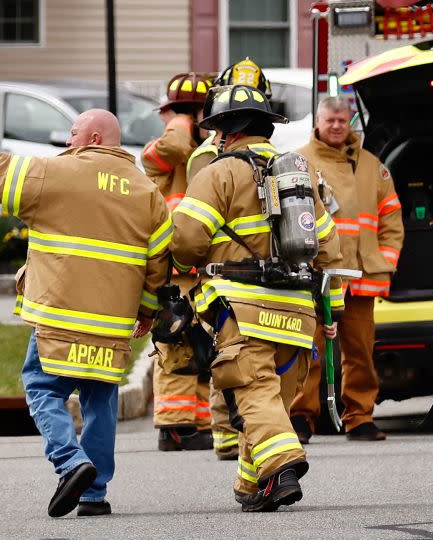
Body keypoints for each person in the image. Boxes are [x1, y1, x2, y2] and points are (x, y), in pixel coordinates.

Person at [0, 109, 170, 517]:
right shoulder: (147, 192)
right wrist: (146, 311)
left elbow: (0, 173)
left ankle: (70, 463)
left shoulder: (57, 174)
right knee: (100, 402)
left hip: (60, 316)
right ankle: (93, 495)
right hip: (111, 326)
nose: (68, 141)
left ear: (93, 138)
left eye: (74, 133)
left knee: (42, 388)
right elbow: (159, 263)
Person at [170, 85, 346, 512]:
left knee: (253, 394)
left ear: (227, 133)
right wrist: (331, 311)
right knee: (269, 404)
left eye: (216, 132)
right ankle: (254, 486)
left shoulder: (217, 172)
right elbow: (328, 250)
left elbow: (188, 243)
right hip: (299, 311)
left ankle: (284, 466)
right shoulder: (301, 177)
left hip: (241, 308)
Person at [289, 96, 404, 442]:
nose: (337, 126)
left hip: (360, 277)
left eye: (343, 120)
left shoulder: (372, 166)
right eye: (331, 121)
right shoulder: (299, 162)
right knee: (309, 350)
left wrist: (385, 260)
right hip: (317, 278)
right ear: (318, 123)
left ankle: (360, 417)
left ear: (350, 121)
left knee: (360, 353)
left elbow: (391, 218)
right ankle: (300, 417)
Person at [185, 59, 277, 461]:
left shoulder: (213, 164)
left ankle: (259, 452)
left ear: (226, 128)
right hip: (290, 292)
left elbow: (189, 234)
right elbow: (325, 240)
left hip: (232, 288)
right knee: (268, 380)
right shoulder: (294, 165)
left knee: (235, 365)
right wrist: (331, 307)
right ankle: (249, 459)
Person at [142, 72, 216, 452]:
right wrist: (183, 120)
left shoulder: (213, 153)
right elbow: (174, 147)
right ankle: (174, 426)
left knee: (206, 346)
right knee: (175, 345)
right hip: (175, 271)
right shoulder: (162, 153)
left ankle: (199, 421)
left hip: (205, 268)